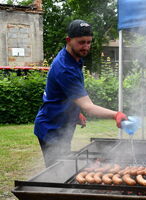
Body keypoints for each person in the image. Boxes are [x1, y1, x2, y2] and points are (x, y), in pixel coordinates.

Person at [34, 19, 127, 167]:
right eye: (81, 42)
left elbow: (62, 93)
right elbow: (89, 107)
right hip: (51, 128)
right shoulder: (65, 68)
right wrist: (116, 114)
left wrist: (74, 111)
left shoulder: (73, 57)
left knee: (65, 164)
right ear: (69, 40)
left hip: (62, 124)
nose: (86, 47)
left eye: (89, 42)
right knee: (58, 171)